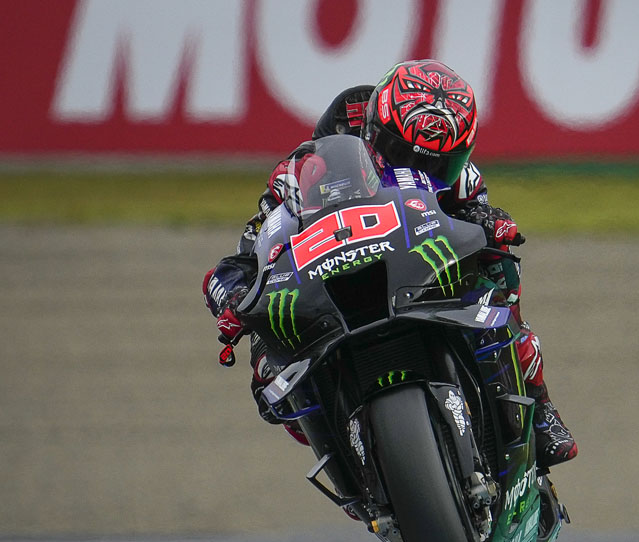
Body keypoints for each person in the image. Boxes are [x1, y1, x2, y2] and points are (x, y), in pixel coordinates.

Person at [202, 59, 577, 467]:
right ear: (373, 133)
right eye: (402, 155)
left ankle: (539, 408)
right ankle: (345, 460)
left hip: (419, 276)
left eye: (439, 164)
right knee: (268, 372)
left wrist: (492, 222)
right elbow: (241, 259)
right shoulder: (304, 172)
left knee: (498, 272)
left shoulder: (464, 178)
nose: (421, 172)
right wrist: (234, 297)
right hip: (326, 287)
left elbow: (479, 219)